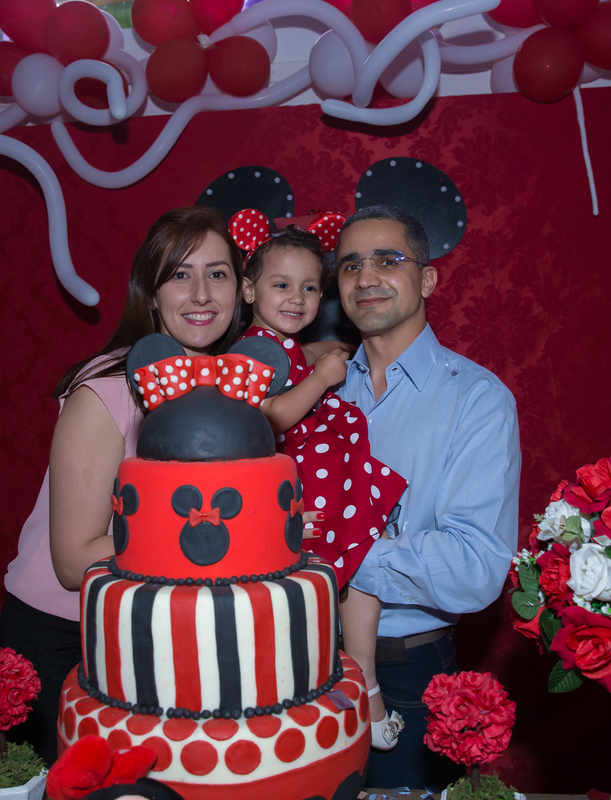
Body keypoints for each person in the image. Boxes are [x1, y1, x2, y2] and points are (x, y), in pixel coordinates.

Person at [0, 206, 243, 764]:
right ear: (151, 294)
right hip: (63, 635)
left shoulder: (233, 390)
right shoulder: (107, 389)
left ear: (240, 289)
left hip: (146, 631)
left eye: (217, 273)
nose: (201, 294)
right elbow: (73, 560)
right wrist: (221, 533)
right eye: (179, 275)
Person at [333, 205, 520, 789]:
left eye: (388, 260)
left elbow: (476, 567)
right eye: (350, 265)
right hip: (298, 662)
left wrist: (335, 554)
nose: (366, 277)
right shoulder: (317, 391)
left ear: (428, 278)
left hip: (404, 674)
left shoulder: (477, 399)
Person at [233, 222, 408, 750]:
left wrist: (313, 356)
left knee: (360, 556)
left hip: (312, 470)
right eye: (281, 285)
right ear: (249, 291)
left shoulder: (275, 345)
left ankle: (354, 681)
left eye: (309, 287)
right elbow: (272, 416)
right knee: (357, 551)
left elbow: (286, 371)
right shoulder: (253, 350)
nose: (297, 297)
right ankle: (360, 685)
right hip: (300, 476)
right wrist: (323, 378)